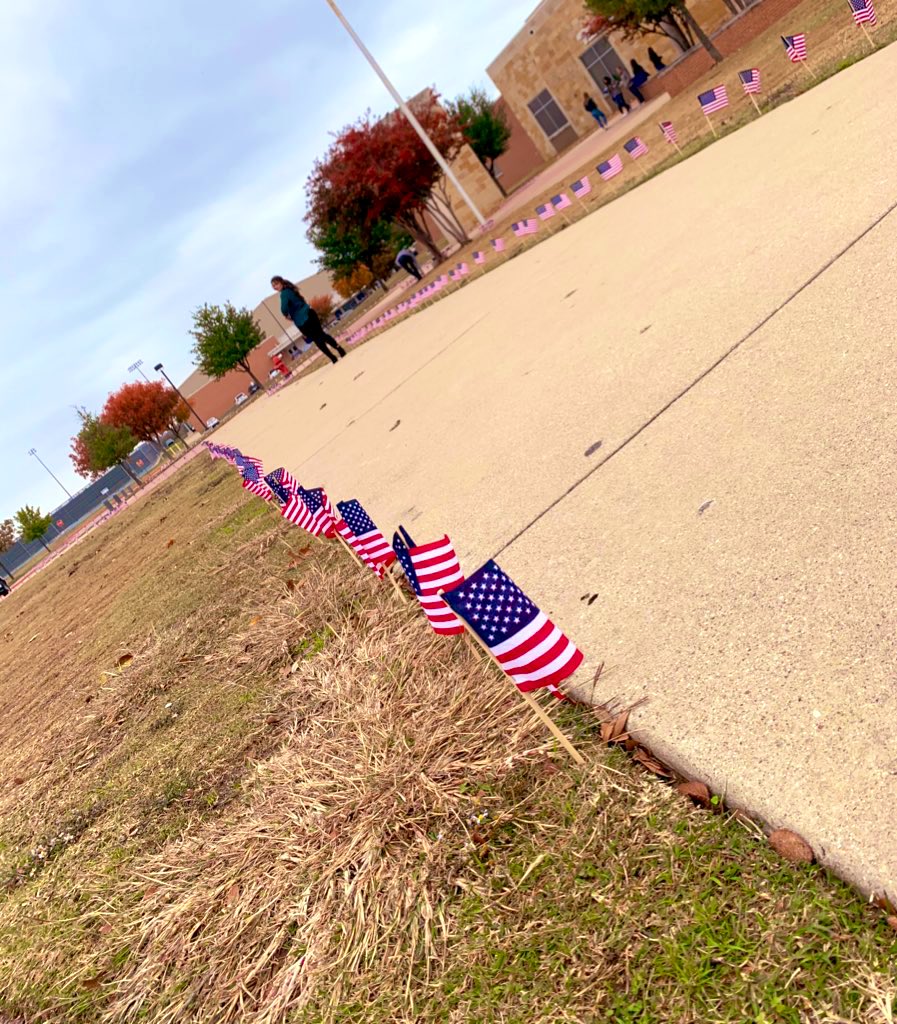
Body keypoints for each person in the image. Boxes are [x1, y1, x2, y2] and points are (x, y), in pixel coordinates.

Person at [271, 275, 346, 365]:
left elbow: (284, 309)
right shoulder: (291, 289)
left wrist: (286, 315)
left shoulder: (284, 293)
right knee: (321, 334)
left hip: (303, 321)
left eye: (276, 284)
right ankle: (340, 349)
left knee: (317, 339)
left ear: (281, 282)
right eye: (273, 286)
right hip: (310, 313)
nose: (275, 287)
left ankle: (333, 358)